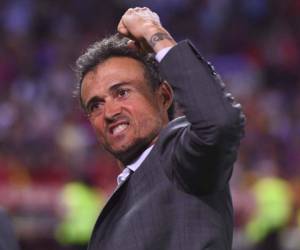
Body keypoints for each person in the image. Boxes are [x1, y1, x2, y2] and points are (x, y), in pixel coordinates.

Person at [75, 7, 245, 250]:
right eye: (96, 105)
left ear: (164, 96)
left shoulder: (179, 159)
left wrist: (152, 32)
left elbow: (220, 122)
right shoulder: (126, 193)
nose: (110, 113)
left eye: (122, 92)